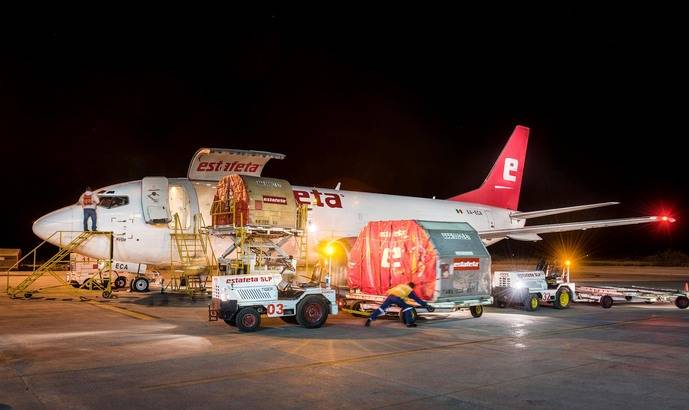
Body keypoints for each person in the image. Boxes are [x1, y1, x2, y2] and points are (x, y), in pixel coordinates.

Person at [365, 282, 434, 328]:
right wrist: (426, 305)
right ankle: (409, 323)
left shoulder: (401, 286)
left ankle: (370, 319)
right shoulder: (409, 290)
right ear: (412, 287)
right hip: (397, 298)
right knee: (408, 308)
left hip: (390, 297)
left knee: (381, 308)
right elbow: (417, 299)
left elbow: (394, 292)